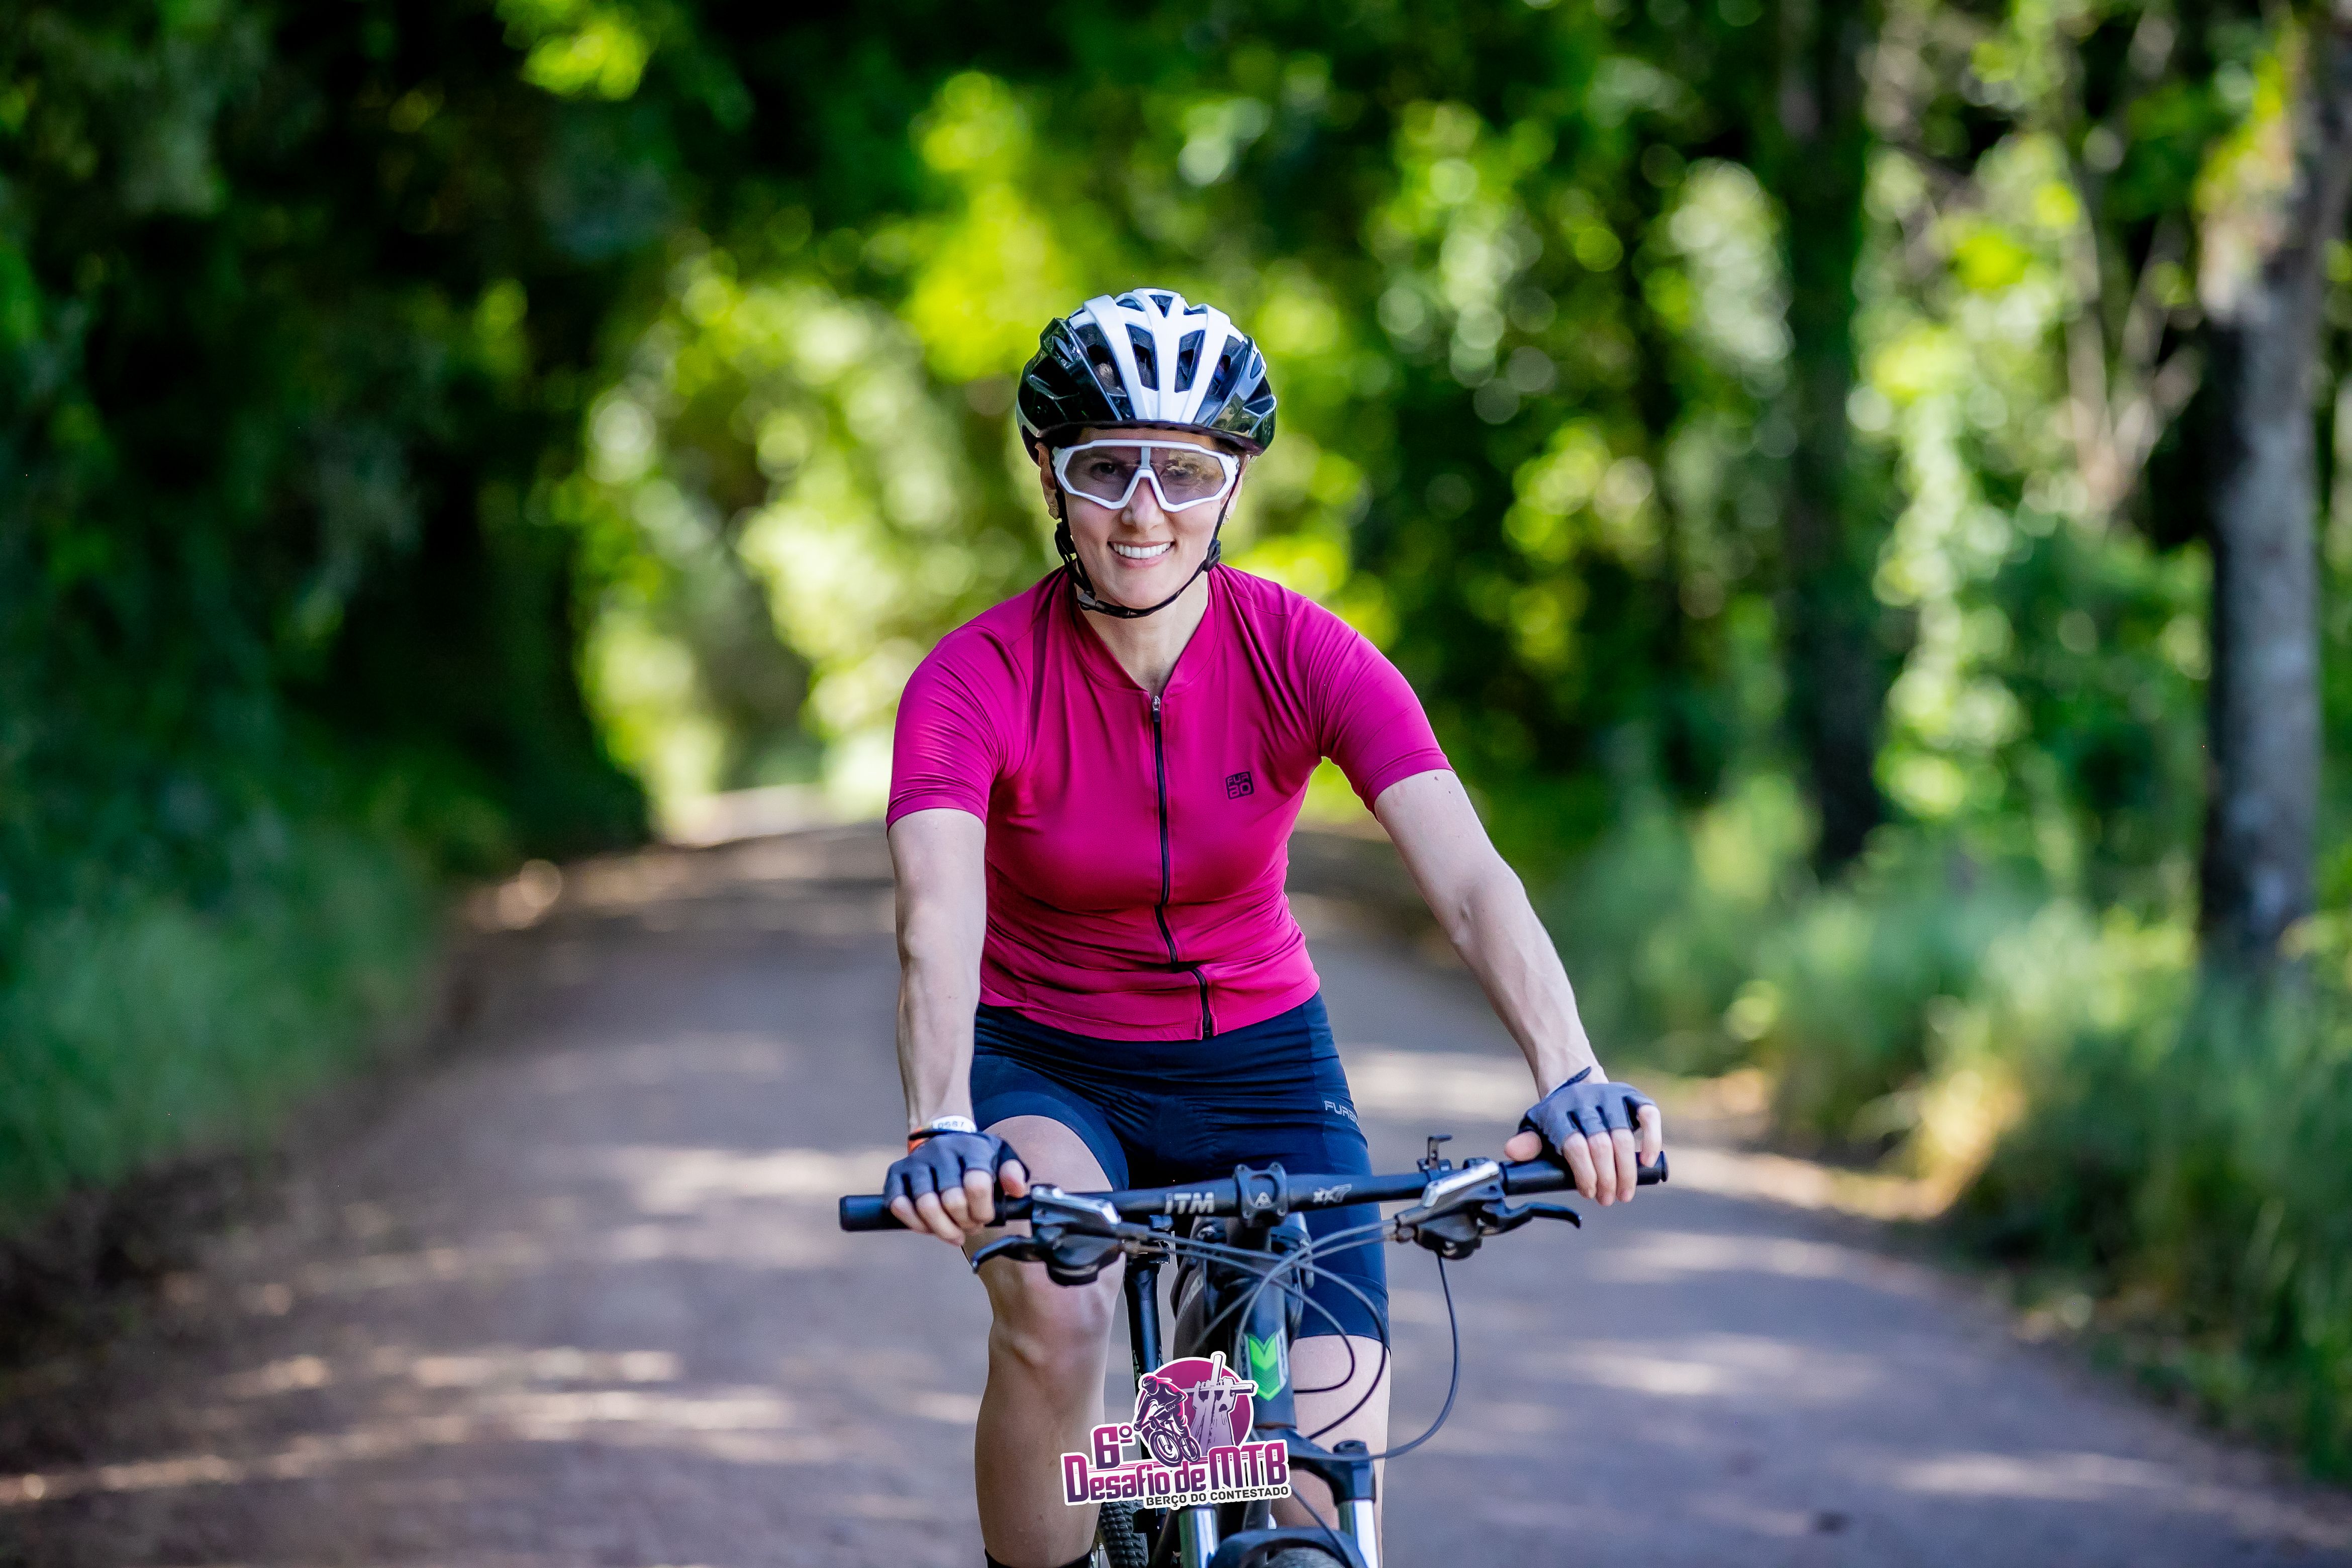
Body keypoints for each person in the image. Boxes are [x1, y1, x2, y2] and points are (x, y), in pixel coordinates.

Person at [880, 287, 1664, 1568]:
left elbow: (1472, 881)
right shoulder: (974, 679)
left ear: (1234, 479)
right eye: (1106, 467)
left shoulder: (1305, 652)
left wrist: (1570, 1072)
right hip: (1050, 1065)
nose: (1145, 511)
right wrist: (940, 1122)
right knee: (1059, 1318)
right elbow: (937, 912)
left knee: (1325, 1497)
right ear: (1050, 471)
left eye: (1185, 472)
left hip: (1266, 1069)